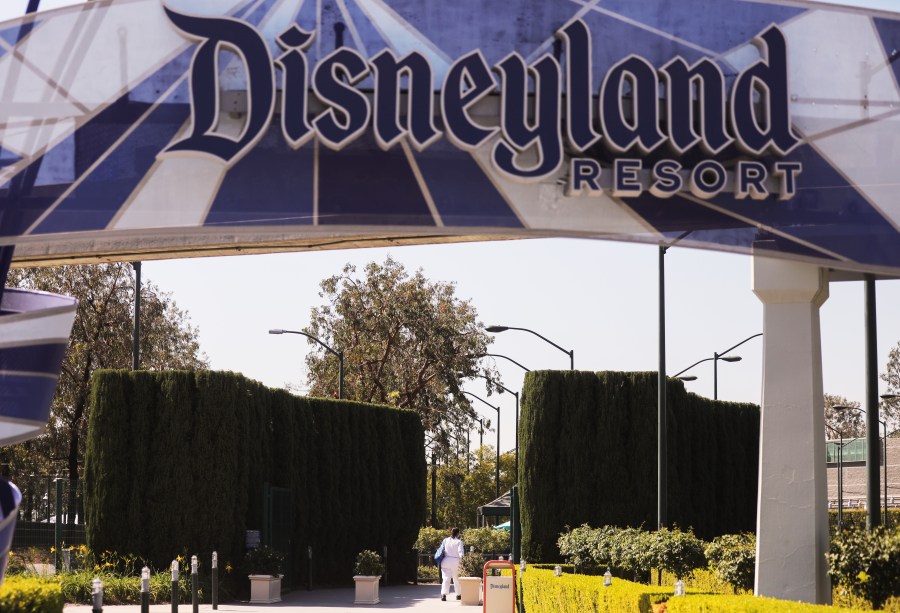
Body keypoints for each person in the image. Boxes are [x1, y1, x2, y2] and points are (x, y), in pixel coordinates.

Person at [439, 527, 465, 601]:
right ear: (458, 533)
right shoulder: (459, 542)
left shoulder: (445, 540)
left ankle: (443, 594)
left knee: (446, 578)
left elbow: (442, 550)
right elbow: (461, 553)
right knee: (456, 578)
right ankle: (458, 594)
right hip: (456, 561)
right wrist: (463, 561)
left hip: (446, 560)